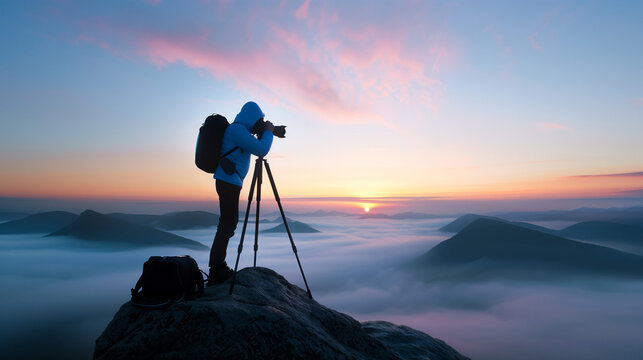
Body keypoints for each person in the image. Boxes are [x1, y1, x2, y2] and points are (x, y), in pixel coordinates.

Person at [208, 101, 274, 286]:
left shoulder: (240, 131)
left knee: (229, 223)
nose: (259, 125)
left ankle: (217, 267)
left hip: (230, 182)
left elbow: (257, 141)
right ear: (252, 118)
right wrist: (268, 131)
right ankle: (217, 269)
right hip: (228, 182)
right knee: (227, 224)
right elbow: (261, 149)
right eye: (259, 121)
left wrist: (270, 130)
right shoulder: (236, 131)